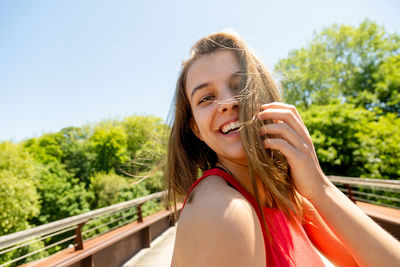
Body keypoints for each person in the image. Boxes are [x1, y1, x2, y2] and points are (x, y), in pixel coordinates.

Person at [164, 31, 400, 267]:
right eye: (206, 98)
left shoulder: (286, 196)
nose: (227, 103)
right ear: (196, 129)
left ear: (266, 97)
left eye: (240, 85)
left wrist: (319, 187)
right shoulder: (222, 211)